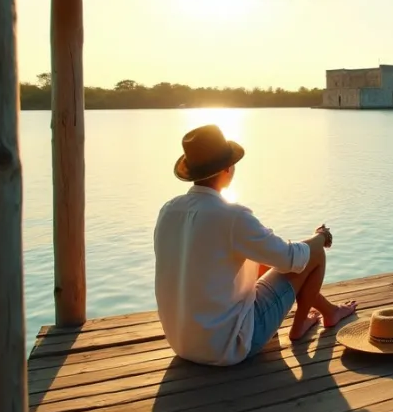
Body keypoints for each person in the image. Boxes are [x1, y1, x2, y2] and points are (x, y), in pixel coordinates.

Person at [153, 123, 357, 366]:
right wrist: (321, 237)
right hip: (228, 346)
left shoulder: (168, 211)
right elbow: (292, 259)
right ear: (228, 169)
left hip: (182, 343)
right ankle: (301, 324)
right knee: (311, 254)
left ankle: (329, 310)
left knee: (260, 260)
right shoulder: (231, 216)